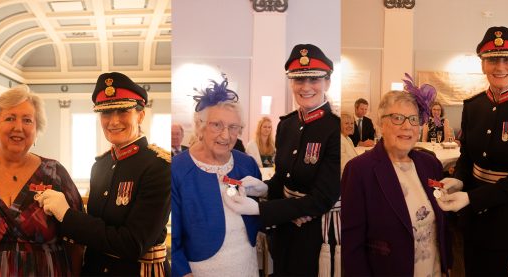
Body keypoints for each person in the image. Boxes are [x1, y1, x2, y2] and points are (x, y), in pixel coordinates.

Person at [436, 26, 508, 276]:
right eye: (492, 60)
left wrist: (472, 199)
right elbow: (467, 156)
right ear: (483, 65)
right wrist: (458, 179)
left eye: (507, 59)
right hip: (473, 216)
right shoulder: (473, 105)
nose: (500, 67)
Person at [222, 44, 341, 276]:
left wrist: (260, 209)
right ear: (291, 83)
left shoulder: (334, 129)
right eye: (298, 80)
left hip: (316, 233)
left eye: (314, 79)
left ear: (327, 82)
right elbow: (284, 177)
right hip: (286, 228)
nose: (305, 87)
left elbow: (322, 199)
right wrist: (264, 187)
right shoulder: (287, 125)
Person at [36, 72, 172, 276]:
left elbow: (133, 244)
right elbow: (95, 230)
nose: (113, 121)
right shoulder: (100, 165)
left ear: (140, 115)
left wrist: (67, 215)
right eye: (106, 113)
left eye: (123, 111)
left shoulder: (159, 167)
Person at [0, 86, 84, 276]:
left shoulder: (55, 174)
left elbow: (77, 241)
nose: (19, 127)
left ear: (36, 129)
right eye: (10, 118)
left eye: (27, 120)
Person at [342, 84, 451, 275]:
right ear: (380, 123)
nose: (407, 126)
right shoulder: (359, 170)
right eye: (397, 118)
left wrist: (446, 266)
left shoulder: (430, 164)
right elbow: (352, 245)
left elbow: (442, 225)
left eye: (413, 119)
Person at [171, 76, 263, 277]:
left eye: (233, 127)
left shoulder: (246, 164)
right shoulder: (177, 170)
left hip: (246, 265)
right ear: (200, 126)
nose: (225, 135)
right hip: (201, 270)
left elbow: (261, 215)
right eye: (217, 125)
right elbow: (173, 238)